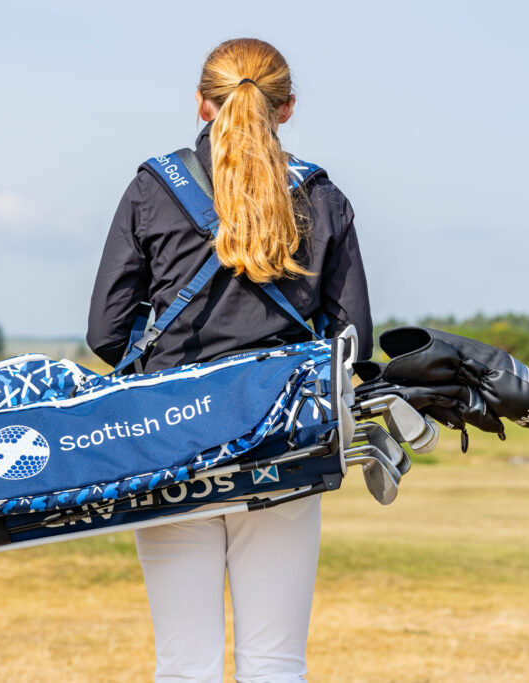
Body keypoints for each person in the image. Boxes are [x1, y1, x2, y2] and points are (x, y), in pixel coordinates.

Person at [86, 38, 373, 681]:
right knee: (275, 663)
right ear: (288, 108)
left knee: (184, 664)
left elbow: (106, 334)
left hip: (168, 443)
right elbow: (355, 341)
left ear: (200, 102)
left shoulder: (150, 188)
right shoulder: (322, 198)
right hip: (285, 447)